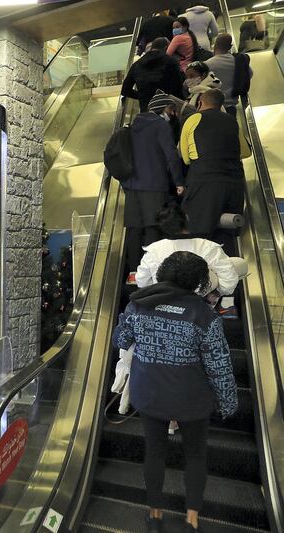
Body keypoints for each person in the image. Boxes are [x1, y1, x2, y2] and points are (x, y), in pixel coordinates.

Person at [113, 251, 237, 532]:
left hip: (150, 395)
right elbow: (219, 365)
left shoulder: (138, 304)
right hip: (191, 399)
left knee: (154, 453)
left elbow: (120, 339)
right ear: (198, 281)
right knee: (195, 455)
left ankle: (155, 516)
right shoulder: (204, 315)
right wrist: (227, 402)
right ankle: (191, 519)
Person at [137, 202, 241, 317]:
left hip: (163, 307)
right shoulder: (208, 247)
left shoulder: (154, 250)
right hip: (199, 308)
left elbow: (142, 281)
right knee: (236, 265)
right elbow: (229, 278)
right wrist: (215, 295)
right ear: (186, 218)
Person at [123, 92, 184, 283]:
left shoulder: (132, 126)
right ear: (163, 108)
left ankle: (133, 273)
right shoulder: (160, 125)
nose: (172, 113)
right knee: (152, 227)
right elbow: (171, 155)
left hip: (131, 186)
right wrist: (179, 182)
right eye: (170, 109)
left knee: (134, 228)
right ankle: (152, 271)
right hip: (154, 184)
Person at [180, 88, 245, 239]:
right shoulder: (232, 120)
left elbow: (185, 157)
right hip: (234, 183)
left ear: (200, 102)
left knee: (200, 235)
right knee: (227, 234)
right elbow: (246, 152)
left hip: (205, 182)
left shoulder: (193, 118)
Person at [122, 37, 184, 112]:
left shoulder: (137, 64)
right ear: (165, 48)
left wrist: (142, 96)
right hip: (166, 108)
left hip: (146, 110)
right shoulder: (171, 61)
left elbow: (125, 90)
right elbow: (178, 87)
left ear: (152, 47)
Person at [206, 33, 253, 116]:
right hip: (231, 106)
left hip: (213, 106)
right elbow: (250, 73)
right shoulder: (238, 62)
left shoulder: (208, 64)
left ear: (215, 46)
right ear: (230, 47)